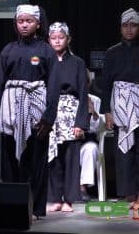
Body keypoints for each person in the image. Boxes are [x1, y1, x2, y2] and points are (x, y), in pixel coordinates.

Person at [0, 4, 58, 219]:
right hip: (10, 112)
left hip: (37, 112)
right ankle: (11, 205)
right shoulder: (8, 50)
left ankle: (36, 208)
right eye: (21, 21)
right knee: (10, 161)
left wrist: (48, 117)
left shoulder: (46, 51)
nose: (25, 24)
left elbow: (54, 86)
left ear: (38, 23)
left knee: (35, 160)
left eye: (29, 21)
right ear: (16, 24)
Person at [100, 8, 139, 210]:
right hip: (120, 106)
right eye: (125, 25)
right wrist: (107, 112)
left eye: (133, 25)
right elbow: (106, 84)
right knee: (124, 152)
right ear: (120, 28)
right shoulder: (112, 53)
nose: (129, 29)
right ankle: (128, 194)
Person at [45, 22, 89, 212]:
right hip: (50, 112)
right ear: (48, 40)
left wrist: (81, 122)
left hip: (71, 111)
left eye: (60, 37)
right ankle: (54, 198)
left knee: (70, 157)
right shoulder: (46, 61)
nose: (57, 40)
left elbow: (83, 93)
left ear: (68, 39)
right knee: (52, 158)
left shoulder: (77, 63)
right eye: (53, 38)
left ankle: (69, 200)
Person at [79, 75, 105, 202]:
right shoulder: (66, 98)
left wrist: (93, 112)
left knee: (91, 149)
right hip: (68, 138)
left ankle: (82, 187)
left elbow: (98, 128)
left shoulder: (96, 100)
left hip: (87, 139)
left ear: (89, 84)